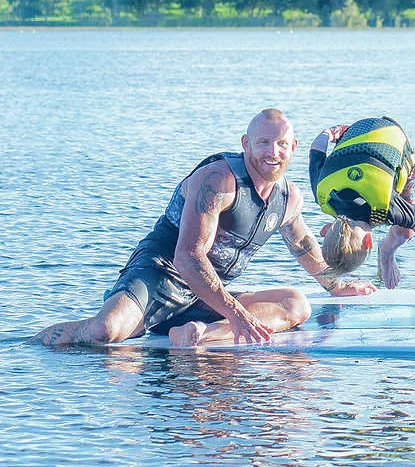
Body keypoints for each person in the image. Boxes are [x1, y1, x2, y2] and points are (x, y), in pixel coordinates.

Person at [35, 109, 375, 349]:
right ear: (246, 143)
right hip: (159, 277)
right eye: (264, 143)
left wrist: (336, 285)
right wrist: (236, 312)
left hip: (206, 297)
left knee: (296, 304)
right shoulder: (219, 179)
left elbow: (301, 243)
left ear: (294, 147)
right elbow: (187, 257)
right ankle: (27, 347)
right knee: (103, 331)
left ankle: (199, 334)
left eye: (282, 144)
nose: (273, 152)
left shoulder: (287, 198)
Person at [309, 116, 415, 289]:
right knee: (402, 219)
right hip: (356, 130)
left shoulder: (387, 206)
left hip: (396, 139)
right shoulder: (322, 194)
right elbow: (317, 147)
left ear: (369, 241)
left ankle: (387, 252)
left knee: (406, 231)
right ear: (325, 230)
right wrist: (331, 133)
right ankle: (387, 251)